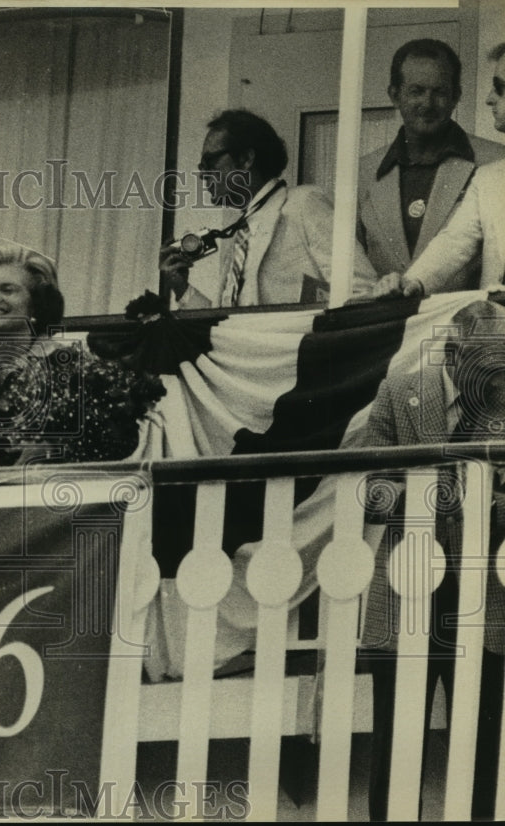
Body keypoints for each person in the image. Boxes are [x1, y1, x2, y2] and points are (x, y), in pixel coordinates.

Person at [360, 299, 505, 820]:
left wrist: (491, 502)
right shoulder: (399, 390)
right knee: (397, 749)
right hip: (405, 595)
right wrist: (426, 494)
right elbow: (371, 488)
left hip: (483, 603)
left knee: (481, 752)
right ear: (450, 351)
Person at [0, 245, 164, 468]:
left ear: (37, 305)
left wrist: (55, 452)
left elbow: (120, 442)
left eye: (7, 289)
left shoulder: (71, 366)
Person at [159, 109, 376, 309]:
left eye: (210, 163)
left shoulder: (305, 204)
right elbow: (226, 327)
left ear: (246, 159)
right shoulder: (241, 236)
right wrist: (181, 288)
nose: (203, 175)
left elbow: (362, 291)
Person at [358, 39, 505, 292]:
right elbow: (455, 241)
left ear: (454, 96)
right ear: (395, 95)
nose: (489, 99)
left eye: (501, 88)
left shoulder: (488, 160)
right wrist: (411, 282)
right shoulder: (490, 178)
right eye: (416, 91)